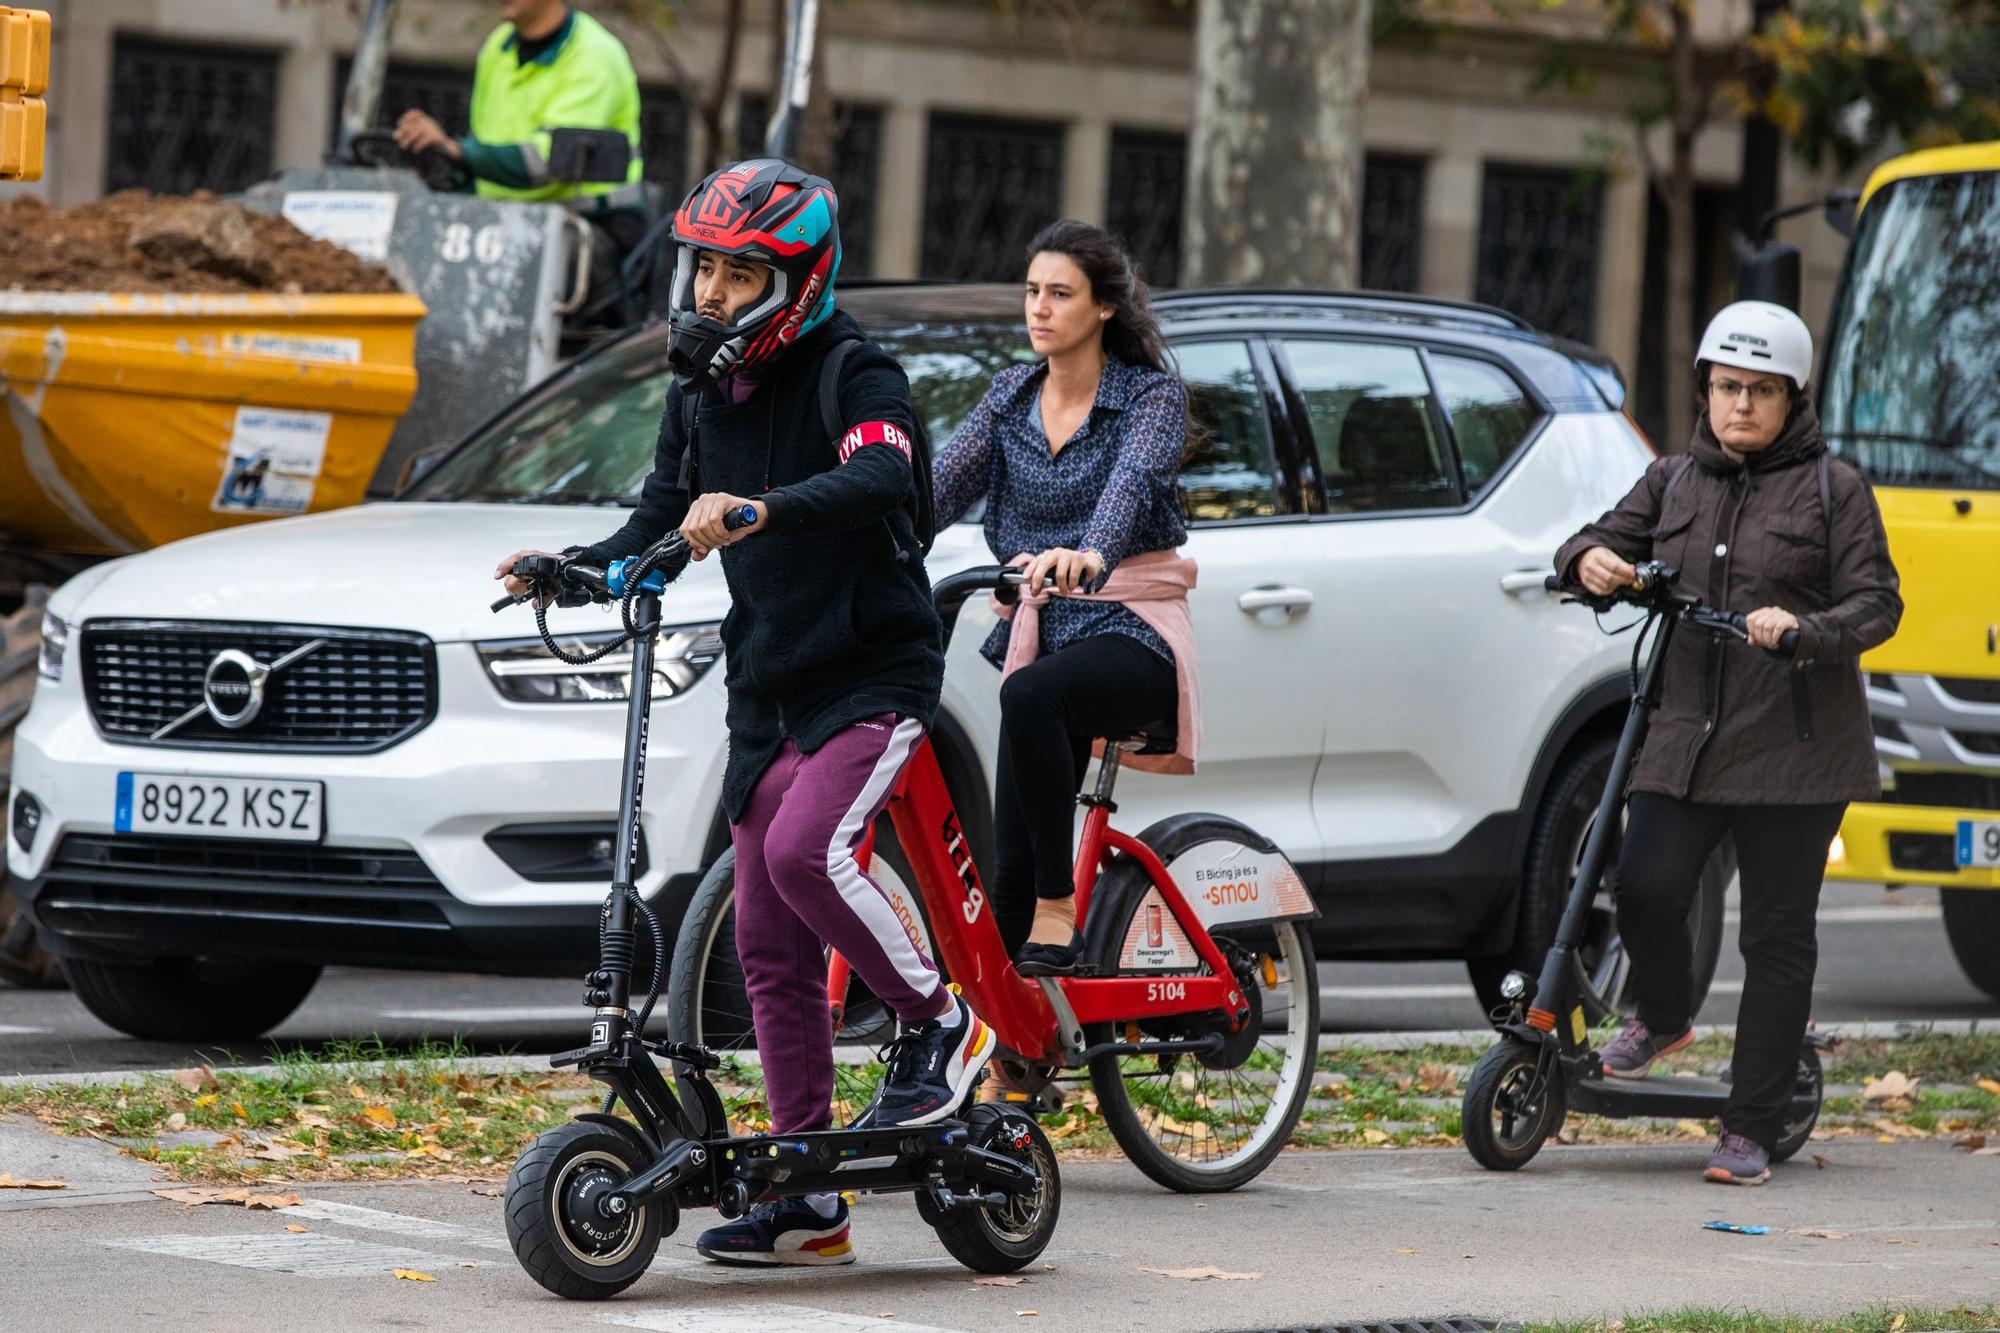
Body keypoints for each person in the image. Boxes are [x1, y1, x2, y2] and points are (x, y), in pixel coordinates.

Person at [495, 159, 993, 1265]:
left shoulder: (853, 371)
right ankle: (810, 1204)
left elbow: (882, 482)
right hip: (765, 681)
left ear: (797, 284)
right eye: (703, 268)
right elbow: (661, 518)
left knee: (813, 854)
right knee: (765, 938)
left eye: (738, 274)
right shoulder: (697, 392)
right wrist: (577, 569)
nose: (711, 293)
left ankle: (940, 1022)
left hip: (871, 672)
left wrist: (759, 511)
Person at [1554, 300, 1902, 1186]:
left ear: (1792, 398)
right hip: (1686, 736)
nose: (1740, 405)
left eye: (1760, 390)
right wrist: (1589, 561)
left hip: (1797, 748)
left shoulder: (1836, 490)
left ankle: (1748, 1127)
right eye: (1726, 387)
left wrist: (1806, 629)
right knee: (1644, 883)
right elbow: (1592, 541)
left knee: (1777, 941)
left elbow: (1878, 606)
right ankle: (1664, 1011)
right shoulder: (1673, 480)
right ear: (1705, 390)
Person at [931, 219, 1199, 988]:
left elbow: (1131, 487)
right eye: (1031, 292)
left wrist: (1088, 554)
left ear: (1104, 307)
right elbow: (937, 488)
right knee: (1004, 871)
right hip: (1045, 636)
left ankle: (1063, 903)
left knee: (1030, 692)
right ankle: (1013, 1072)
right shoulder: (1011, 395)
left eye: (1059, 293)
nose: (1039, 309)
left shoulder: (1148, 400)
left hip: (1129, 626)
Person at [394, 0, 645, 315]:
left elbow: (549, 162)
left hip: (586, 228)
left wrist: (458, 150)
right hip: (507, 222)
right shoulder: (497, 47)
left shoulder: (595, 54)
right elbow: (485, 153)